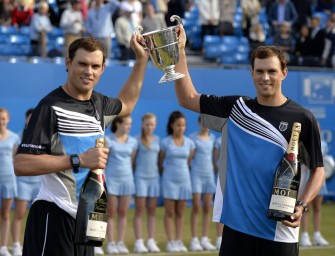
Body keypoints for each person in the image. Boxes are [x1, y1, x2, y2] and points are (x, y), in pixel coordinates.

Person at [173, 25, 325, 256]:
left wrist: (302, 205)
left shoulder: (303, 118)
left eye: (272, 71)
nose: (265, 78)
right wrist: (180, 51)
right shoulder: (236, 108)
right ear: (251, 73)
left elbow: (318, 170)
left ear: (284, 72)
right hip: (236, 229)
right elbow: (187, 98)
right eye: (260, 71)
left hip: (279, 232)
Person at [14, 35, 149, 256]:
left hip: (87, 218)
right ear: (68, 63)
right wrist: (78, 160)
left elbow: (127, 104)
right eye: (82, 64)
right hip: (54, 214)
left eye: (95, 66)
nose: (89, 71)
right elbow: (22, 163)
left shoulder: (99, 103)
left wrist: (141, 60)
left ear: (103, 68)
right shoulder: (50, 107)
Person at [158, 110, 195, 253]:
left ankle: (179, 241)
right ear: (172, 125)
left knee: (180, 213)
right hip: (169, 180)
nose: (181, 128)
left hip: (184, 180)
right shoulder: (165, 142)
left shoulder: (190, 144)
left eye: (183, 125)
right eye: (179, 125)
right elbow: (160, 163)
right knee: (169, 212)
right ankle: (171, 242)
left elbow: (189, 162)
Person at [105, 116, 137, 255]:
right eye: (127, 124)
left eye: (130, 124)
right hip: (111, 180)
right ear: (118, 124)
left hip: (127, 180)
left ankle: (120, 242)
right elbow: (104, 161)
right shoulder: (108, 140)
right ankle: (111, 243)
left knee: (123, 213)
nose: (129, 126)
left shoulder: (134, 142)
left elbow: (132, 160)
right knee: (110, 213)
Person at [11, 108, 40, 256]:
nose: (32, 120)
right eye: (30, 117)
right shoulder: (18, 138)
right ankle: (16, 244)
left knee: (37, 216)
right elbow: (13, 160)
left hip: (40, 183)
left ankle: (37, 244)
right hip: (23, 182)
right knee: (19, 214)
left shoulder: (44, 137)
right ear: (26, 119)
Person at [133, 113, 161, 253]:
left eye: (152, 124)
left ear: (155, 125)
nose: (149, 127)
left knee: (151, 211)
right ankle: (139, 242)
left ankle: (150, 241)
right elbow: (132, 161)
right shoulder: (136, 140)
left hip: (154, 179)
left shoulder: (158, 140)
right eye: (147, 124)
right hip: (140, 178)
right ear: (142, 125)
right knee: (139, 211)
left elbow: (159, 161)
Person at [188, 116, 217, 252]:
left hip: (209, 176)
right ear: (199, 123)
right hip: (196, 176)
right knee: (195, 207)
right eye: (203, 122)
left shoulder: (213, 139)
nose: (205, 125)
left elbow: (214, 159)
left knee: (207, 207)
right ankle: (194, 239)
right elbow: (189, 159)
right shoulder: (192, 138)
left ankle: (204, 238)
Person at [299, 123, 329, 247]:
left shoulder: (324, 144)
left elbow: (324, 161)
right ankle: (304, 236)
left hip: (319, 180)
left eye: (318, 127)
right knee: (305, 208)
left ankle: (317, 235)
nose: (316, 129)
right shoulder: (302, 143)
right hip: (306, 178)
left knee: (317, 208)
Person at [0, 108, 20, 256]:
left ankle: (3, 247)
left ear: (8, 120)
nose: (1, 121)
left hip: (9, 180)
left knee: (6, 214)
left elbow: (15, 159)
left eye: (3, 118)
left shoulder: (14, 138)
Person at [213, 135, 223, 250]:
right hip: (222, 177)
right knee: (220, 206)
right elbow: (215, 161)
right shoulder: (219, 141)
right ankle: (219, 238)